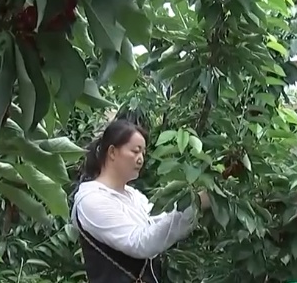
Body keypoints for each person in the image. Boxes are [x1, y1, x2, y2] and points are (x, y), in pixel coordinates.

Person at [71, 119, 211, 283]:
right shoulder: (92, 199)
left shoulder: (134, 195)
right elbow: (140, 242)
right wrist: (195, 203)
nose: (140, 159)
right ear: (112, 152)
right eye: (135, 151)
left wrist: (198, 201)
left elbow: (160, 221)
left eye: (143, 153)